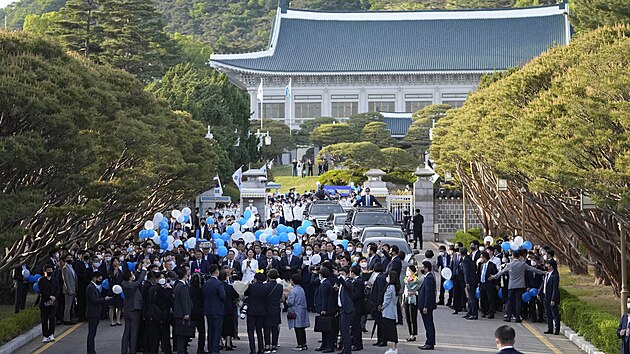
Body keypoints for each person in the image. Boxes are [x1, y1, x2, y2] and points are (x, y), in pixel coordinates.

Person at [490, 250, 545, 322]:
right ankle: (517, 317)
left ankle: (509, 316)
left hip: (511, 285)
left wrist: (494, 277)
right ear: (519, 256)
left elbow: (501, 272)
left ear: (513, 256)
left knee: (510, 301)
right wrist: (543, 272)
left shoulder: (509, 265)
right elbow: (533, 269)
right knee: (518, 301)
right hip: (520, 285)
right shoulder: (522, 264)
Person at [121, 267, 146, 354]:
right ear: (129, 277)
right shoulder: (131, 286)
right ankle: (133, 350)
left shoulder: (124, 284)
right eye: (132, 275)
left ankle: (124, 350)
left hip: (127, 309)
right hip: (134, 310)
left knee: (126, 331)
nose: (133, 275)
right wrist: (144, 270)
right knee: (134, 332)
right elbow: (139, 282)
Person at [87, 271, 112, 354]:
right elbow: (94, 300)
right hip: (92, 313)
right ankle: (90, 351)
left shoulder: (94, 287)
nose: (100, 280)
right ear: (94, 278)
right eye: (99, 278)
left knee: (93, 333)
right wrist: (104, 299)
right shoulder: (90, 288)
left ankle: (91, 350)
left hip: (95, 313)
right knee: (91, 333)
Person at [204, 264, 226, 354]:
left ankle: (210, 348)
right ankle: (215, 350)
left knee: (210, 330)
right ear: (217, 272)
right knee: (217, 330)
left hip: (208, 309)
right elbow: (223, 296)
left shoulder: (206, 283)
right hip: (218, 309)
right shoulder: (219, 283)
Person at [245, 272, 269, 354]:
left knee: (250, 330)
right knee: (259, 330)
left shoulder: (251, 287)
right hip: (261, 311)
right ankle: (261, 348)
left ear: (255, 279)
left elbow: (245, 293)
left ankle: (253, 349)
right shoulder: (266, 288)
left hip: (251, 310)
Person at [315, 266, 335, 353]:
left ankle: (329, 346)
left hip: (327, 309)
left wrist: (323, 308)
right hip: (327, 308)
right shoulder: (326, 283)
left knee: (328, 328)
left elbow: (324, 298)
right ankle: (324, 344)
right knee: (324, 328)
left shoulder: (325, 284)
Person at [264, 269, 284, 353]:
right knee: (275, 327)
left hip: (267, 308)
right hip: (276, 308)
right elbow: (281, 298)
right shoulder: (280, 286)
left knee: (266, 327)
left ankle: (267, 344)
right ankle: (274, 344)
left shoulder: (265, 286)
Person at [173, 267, 193, 354]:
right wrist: (187, 313)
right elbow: (184, 300)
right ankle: (181, 351)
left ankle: (182, 350)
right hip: (182, 313)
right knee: (182, 335)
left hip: (178, 312)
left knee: (181, 335)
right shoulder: (182, 286)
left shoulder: (178, 285)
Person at [287, 274, 309, 351]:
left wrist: (287, 300)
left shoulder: (293, 291)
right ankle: (304, 344)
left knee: (297, 328)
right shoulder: (301, 289)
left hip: (295, 310)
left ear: (292, 281)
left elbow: (290, 302)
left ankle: (300, 345)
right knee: (302, 328)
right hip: (302, 309)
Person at [417, 261, 436, 350]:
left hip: (426, 307)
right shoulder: (426, 277)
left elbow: (429, 294)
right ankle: (428, 341)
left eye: (423, 267)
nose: (422, 269)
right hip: (424, 305)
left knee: (429, 325)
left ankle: (430, 342)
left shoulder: (429, 278)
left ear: (427, 268)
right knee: (427, 324)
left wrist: (426, 306)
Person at [39, 264, 60, 343]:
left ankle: (51, 334)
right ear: (44, 271)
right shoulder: (41, 280)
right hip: (45, 302)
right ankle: (45, 335)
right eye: (48, 270)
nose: (50, 272)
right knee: (44, 319)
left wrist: (54, 298)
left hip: (53, 302)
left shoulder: (55, 280)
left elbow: (57, 290)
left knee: (52, 318)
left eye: (51, 270)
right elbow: (42, 291)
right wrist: (49, 297)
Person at [337, 267, 355, 354]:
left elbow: (346, 285)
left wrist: (341, 279)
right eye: (340, 274)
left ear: (347, 274)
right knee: (342, 330)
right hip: (341, 309)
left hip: (347, 310)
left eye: (343, 274)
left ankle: (348, 350)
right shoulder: (341, 284)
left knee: (345, 331)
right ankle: (344, 348)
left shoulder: (349, 282)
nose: (341, 276)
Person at [381, 271, 399, 354]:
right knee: (393, 329)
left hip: (388, 311)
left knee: (390, 330)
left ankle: (393, 348)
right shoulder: (396, 286)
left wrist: (382, 306)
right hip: (393, 311)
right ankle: (394, 347)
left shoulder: (390, 287)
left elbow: (387, 299)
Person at [220, 270, 239, 351]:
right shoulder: (229, 287)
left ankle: (220, 342)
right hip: (229, 309)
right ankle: (228, 343)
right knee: (229, 326)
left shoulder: (218, 286)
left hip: (220, 309)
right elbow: (236, 295)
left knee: (220, 326)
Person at [403, 265, 422, 342]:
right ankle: (410, 333)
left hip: (413, 300)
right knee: (407, 318)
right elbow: (405, 290)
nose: (408, 272)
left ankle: (413, 334)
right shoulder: (406, 279)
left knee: (412, 317)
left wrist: (414, 292)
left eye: (409, 270)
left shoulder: (417, 280)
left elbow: (419, 290)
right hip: (407, 299)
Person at [541, 259, 560, 335]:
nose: (546, 266)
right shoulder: (547, 274)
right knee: (548, 312)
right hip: (546, 295)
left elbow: (555, 288)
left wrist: (553, 299)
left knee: (554, 313)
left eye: (548, 264)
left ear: (551, 266)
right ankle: (550, 328)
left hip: (551, 297)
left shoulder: (555, 275)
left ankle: (557, 329)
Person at [190, 273, 207, 354]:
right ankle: (200, 348)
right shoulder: (201, 290)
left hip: (192, 311)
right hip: (199, 312)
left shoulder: (189, 289)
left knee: (188, 330)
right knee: (202, 331)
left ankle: (183, 347)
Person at [349, 266, 365, 351]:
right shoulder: (356, 281)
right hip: (356, 307)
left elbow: (357, 294)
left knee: (356, 327)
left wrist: (349, 295)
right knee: (355, 326)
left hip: (357, 307)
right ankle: (356, 343)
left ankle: (358, 344)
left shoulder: (358, 282)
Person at [461, 248, 479, 320]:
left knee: (471, 298)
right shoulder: (469, 259)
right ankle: (469, 312)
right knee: (470, 298)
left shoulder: (465, 261)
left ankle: (474, 313)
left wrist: (467, 282)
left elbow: (466, 273)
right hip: (473, 280)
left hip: (470, 281)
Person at [479, 252, 498, 319]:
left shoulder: (492, 265)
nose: (481, 259)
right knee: (482, 299)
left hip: (489, 284)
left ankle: (491, 313)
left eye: (482, 257)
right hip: (482, 283)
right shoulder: (481, 265)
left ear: (485, 257)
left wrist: (496, 284)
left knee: (490, 299)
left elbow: (496, 275)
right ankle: (483, 312)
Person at [61, 254, 78, 324]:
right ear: (65, 259)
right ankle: (66, 319)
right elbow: (66, 280)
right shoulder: (65, 268)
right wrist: (69, 289)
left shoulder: (72, 267)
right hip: (69, 290)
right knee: (67, 305)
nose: (70, 259)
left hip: (74, 289)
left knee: (71, 305)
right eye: (68, 258)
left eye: (71, 258)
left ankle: (70, 318)